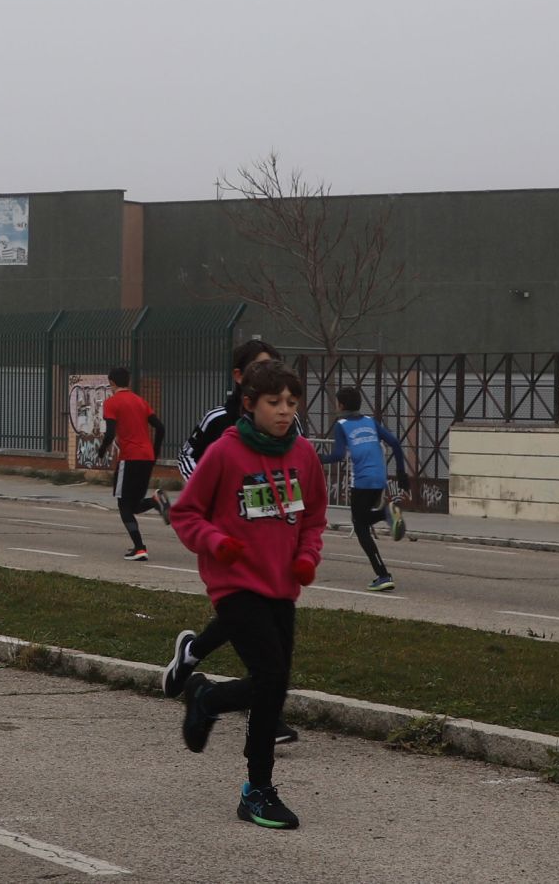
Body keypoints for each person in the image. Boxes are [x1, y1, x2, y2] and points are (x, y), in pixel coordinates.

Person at [168, 361, 327, 830]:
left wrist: (307, 557)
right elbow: (186, 515)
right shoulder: (225, 453)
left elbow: (314, 517)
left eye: (291, 403)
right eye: (274, 403)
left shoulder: (303, 455)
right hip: (234, 584)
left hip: (282, 586)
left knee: (273, 685)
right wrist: (217, 543)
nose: (284, 412)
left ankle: (205, 699)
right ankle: (257, 791)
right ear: (250, 404)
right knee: (272, 679)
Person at [162, 338, 298, 746]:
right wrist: (210, 494)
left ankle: (193, 655)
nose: (282, 403)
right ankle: (261, 714)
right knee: (253, 632)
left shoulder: (289, 424)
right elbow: (188, 458)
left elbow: (296, 474)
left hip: (272, 555)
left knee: (259, 636)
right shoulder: (218, 420)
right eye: (260, 369)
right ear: (241, 379)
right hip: (226, 549)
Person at [318, 387, 411, 592]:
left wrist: (317, 458)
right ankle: (386, 514)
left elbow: (339, 456)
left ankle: (383, 575)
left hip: (361, 481)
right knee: (361, 520)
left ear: (341, 405)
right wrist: (402, 477)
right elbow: (395, 443)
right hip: (379, 479)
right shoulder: (370, 421)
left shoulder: (341, 425)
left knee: (360, 527)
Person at [97, 366, 165, 561]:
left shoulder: (112, 403)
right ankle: (156, 501)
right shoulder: (141, 401)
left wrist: (101, 452)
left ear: (112, 382)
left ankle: (140, 548)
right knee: (134, 505)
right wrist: (156, 451)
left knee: (123, 505)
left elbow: (110, 434)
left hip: (129, 458)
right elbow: (160, 427)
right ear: (128, 382)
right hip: (147, 458)